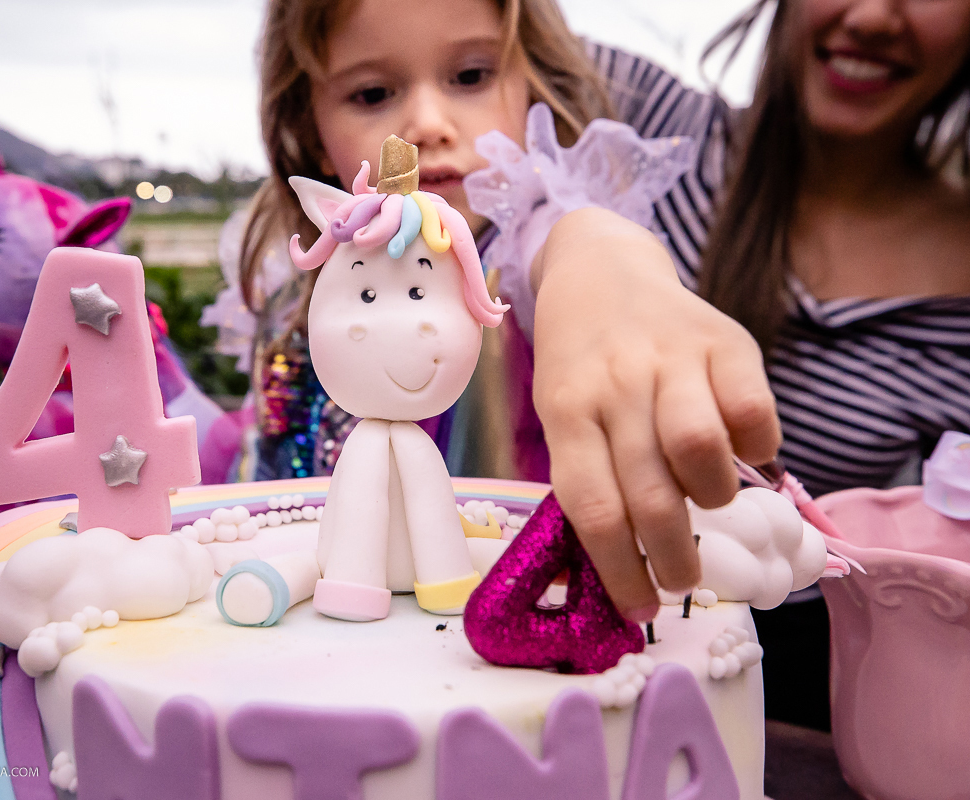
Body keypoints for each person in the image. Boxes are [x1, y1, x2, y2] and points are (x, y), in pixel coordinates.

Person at [494, 0, 970, 728]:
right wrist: (586, 244)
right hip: (565, 644)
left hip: (803, 699)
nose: (873, 15)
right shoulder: (642, 120)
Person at [208, 0, 777, 563]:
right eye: (373, 93)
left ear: (532, 90)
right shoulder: (296, 287)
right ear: (311, 131)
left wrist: (601, 260)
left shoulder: (523, 247)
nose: (428, 124)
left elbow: (578, 247)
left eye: (471, 76)